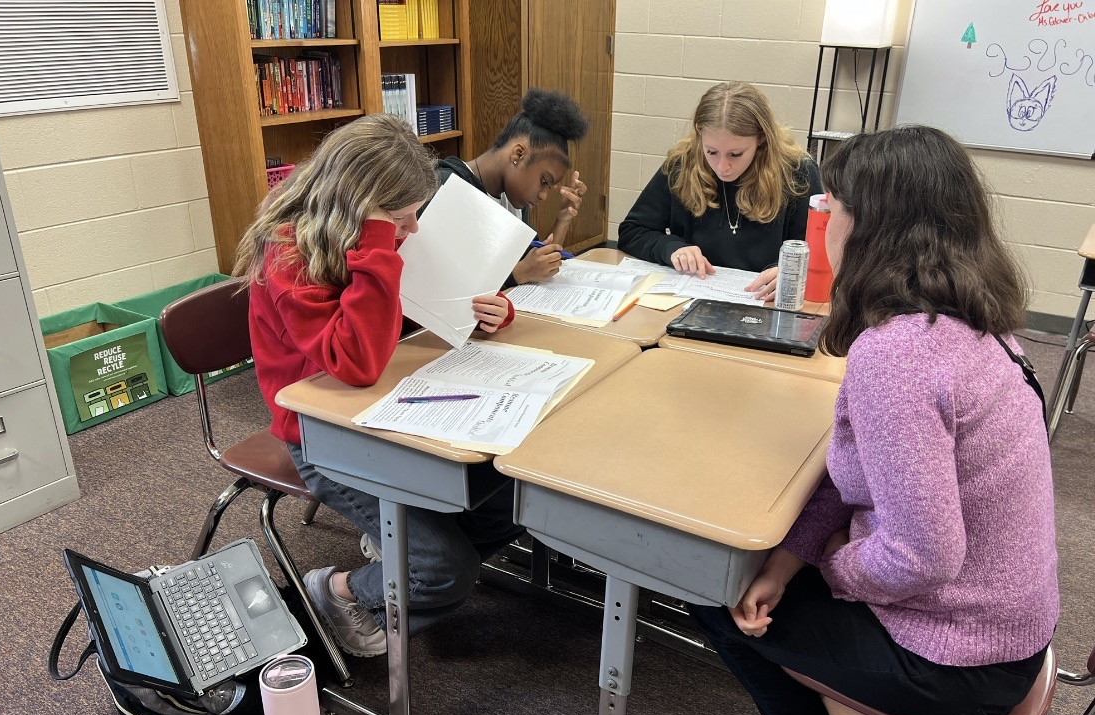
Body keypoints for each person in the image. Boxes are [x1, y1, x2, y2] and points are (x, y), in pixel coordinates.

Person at [687, 126, 1058, 715]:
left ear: (871, 228)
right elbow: (858, 471)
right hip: (1008, 628)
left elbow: (922, 557)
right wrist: (789, 560)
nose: (823, 223)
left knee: (708, 581)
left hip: (956, 658)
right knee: (763, 568)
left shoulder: (897, 356)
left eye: (832, 208)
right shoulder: (973, 323)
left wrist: (832, 564)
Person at [232, 114, 521, 658]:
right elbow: (356, 360)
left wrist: (479, 310)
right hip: (320, 434)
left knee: (511, 500)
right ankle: (339, 591)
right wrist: (378, 242)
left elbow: (406, 308)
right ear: (361, 208)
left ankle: (400, 558)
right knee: (443, 570)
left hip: (387, 409)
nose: (412, 230)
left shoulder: (368, 231)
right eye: (401, 217)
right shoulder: (289, 254)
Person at [618, 81, 821, 300]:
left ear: (761, 138)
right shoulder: (682, 165)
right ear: (700, 133)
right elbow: (632, 231)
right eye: (711, 152)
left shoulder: (797, 172)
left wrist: (790, 272)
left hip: (765, 300)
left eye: (736, 154)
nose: (722, 167)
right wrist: (672, 248)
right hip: (692, 296)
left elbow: (820, 254)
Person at [431, 87, 590, 287]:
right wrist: (518, 274)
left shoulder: (514, 200)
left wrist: (563, 218)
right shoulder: (447, 187)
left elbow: (539, 265)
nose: (543, 196)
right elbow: (443, 286)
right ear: (518, 154)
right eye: (544, 181)